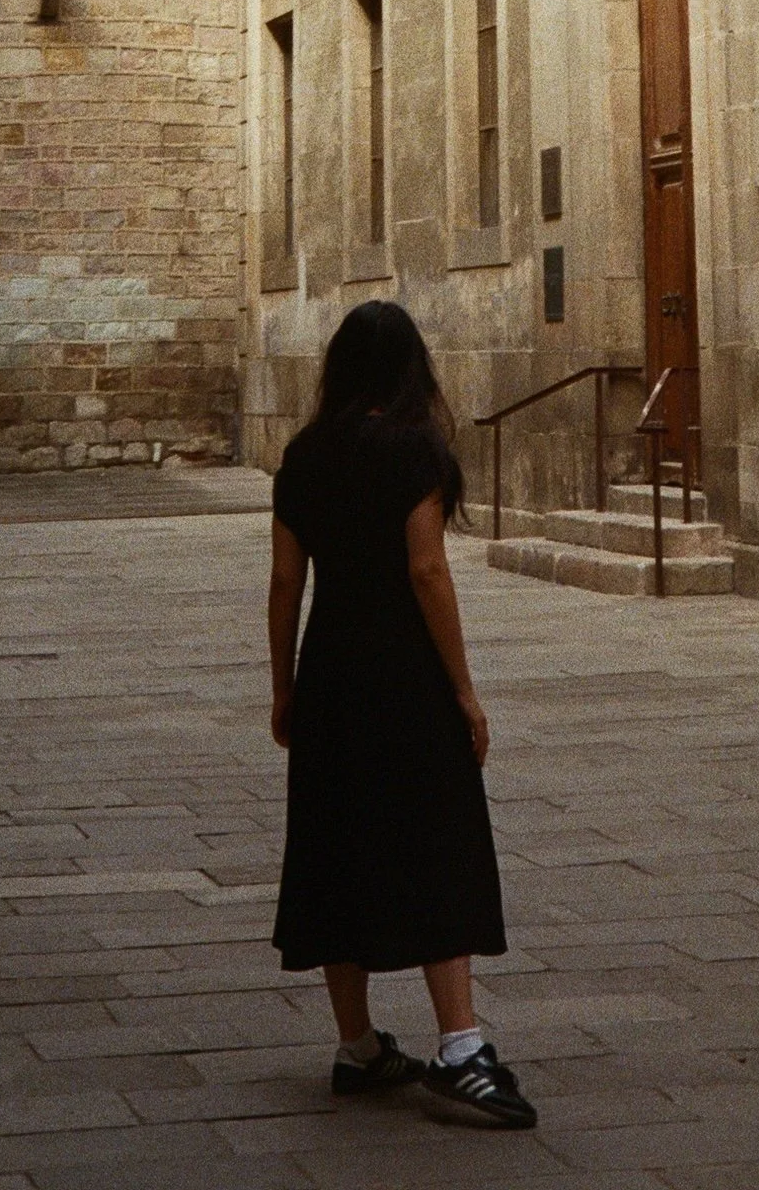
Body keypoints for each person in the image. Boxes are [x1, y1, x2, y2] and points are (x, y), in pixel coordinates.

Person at [268, 298, 537, 1131]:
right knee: (435, 837)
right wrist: (464, 688)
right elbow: (427, 570)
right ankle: (459, 1046)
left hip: (330, 671)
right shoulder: (415, 449)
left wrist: (283, 689)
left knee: (334, 842)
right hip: (403, 674)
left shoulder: (303, 455)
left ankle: (359, 1046)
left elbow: (285, 584)